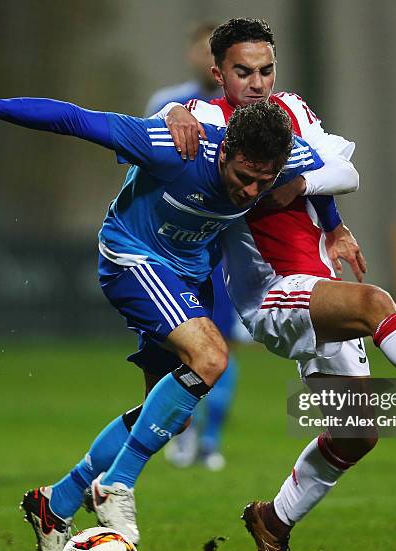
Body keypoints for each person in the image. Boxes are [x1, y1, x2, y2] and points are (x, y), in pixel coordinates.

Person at [149, 18, 396, 551]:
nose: (257, 82)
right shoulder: (203, 121)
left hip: (317, 286)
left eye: (266, 70)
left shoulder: (292, 110)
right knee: (375, 302)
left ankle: (271, 523)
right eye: (242, 71)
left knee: (357, 432)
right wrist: (170, 115)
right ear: (217, 72)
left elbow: (345, 170)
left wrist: (314, 198)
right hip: (272, 298)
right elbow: (146, 140)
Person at [0, 82, 341, 551]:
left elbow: (330, 171)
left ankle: (55, 501)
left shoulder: (280, 156)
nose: (253, 192)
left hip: (188, 274)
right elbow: (73, 118)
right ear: (229, 152)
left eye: (266, 180)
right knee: (212, 358)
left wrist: (335, 224)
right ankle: (117, 485)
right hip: (133, 257)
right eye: (245, 177)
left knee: (164, 414)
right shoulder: (174, 146)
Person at [145, 21, 239, 472]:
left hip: (219, 250)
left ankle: (211, 440)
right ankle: (182, 433)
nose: (209, 61)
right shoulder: (165, 104)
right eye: (202, 51)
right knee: (179, 349)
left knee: (222, 346)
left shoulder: (245, 109)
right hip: (165, 251)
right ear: (193, 56)